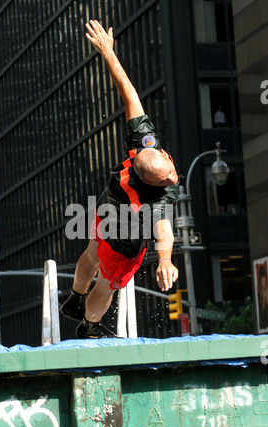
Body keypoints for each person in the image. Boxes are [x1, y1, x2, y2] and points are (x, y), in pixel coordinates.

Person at [60, 20, 179, 339]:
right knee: (108, 284)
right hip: (123, 244)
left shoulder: (143, 143)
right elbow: (163, 233)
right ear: (156, 183)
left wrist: (108, 52)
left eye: (169, 168)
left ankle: (74, 297)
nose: (173, 176)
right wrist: (164, 261)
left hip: (105, 208)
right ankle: (90, 324)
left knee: (90, 252)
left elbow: (129, 94)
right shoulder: (155, 202)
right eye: (168, 178)